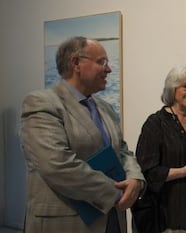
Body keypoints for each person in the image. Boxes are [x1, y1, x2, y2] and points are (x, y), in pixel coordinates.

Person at [20, 36, 145, 233]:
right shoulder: (42, 103)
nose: (109, 69)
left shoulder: (105, 108)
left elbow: (121, 151)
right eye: (101, 62)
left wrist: (135, 179)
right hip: (68, 223)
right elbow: (56, 165)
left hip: (113, 220)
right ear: (76, 63)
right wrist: (116, 192)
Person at [133, 65, 186, 233]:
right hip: (162, 214)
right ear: (172, 89)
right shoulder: (155, 123)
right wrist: (185, 171)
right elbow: (148, 171)